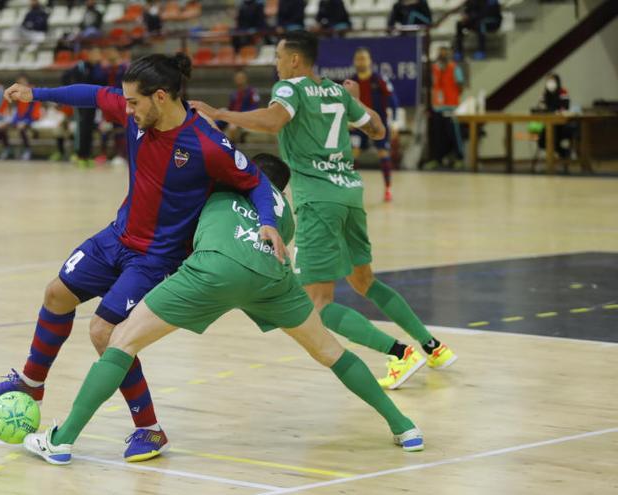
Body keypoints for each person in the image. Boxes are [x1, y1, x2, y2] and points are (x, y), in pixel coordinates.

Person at [0, 53, 285, 462]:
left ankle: (150, 429)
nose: (126, 108)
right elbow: (91, 95)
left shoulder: (207, 144)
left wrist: (268, 221)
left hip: (155, 258)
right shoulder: (136, 114)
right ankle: (32, 383)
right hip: (117, 237)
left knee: (105, 333)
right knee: (56, 295)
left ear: (160, 97)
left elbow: (257, 183)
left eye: (134, 102)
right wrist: (37, 93)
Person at [22, 153, 424, 464]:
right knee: (330, 352)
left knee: (119, 340)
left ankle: (61, 441)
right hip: (274, 279)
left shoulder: (222, 184)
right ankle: (404, 427)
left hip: (213, 268)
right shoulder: (284, 214)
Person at [191, 31, 457, 389]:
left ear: (295, 60)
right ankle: (432, 346)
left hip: (318, 200)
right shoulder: (335, 91)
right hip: (350, 194)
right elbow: (378, 129)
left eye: (279, 57)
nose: (276, 63)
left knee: (316, 304)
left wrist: (220, 113)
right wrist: (357, 102)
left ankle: (399, 353)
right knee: (365, 281)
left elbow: (272, 122)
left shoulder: (289, 89)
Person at [349, 47, 399, 202]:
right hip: (358, 124)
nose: (361, 62)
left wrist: (395, 122)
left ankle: (388, 189)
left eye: (364, 58)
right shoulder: (351, 82)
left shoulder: (379, 80)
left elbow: (393, 101)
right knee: (352, 155)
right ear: (354, 62)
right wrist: (347, 121)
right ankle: (351, 189)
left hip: (378, 125)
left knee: (383, 153)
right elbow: (344, 105)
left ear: (370, 61)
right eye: (358, 59)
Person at [62, 48, 106, 167]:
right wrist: (71, 93)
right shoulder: (80, 66)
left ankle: (87, 155)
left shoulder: (99, 68)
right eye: (95, 54)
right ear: (89, 54)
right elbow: (65, 77)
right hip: (80, 103)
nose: (97, 56)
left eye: (98, 54)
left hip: (94, 103)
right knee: (81, 129)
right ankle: (79, 154)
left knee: (89, 129)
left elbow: (102, 82)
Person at [428, 45, 465, 169]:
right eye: (440, 53)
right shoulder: (434, 68)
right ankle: (437, 159)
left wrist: (453, 97)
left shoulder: (454, 68)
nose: (442, 56)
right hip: (438, 107)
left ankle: (459, 158)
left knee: (454, 134)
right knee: (437, 135)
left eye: (445, 54)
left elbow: (460, 86)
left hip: (451, 107)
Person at [535, 73, 572, 160]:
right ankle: (563, 151)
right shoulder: (545, 93)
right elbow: (540, 106)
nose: (550, 83)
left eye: (552, 80)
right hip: (547, 123)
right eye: (548, 81)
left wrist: (557, 111)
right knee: (542, 141)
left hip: (560, 124)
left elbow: (566, 106)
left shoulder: (563, 92)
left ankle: (562, 153)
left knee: (553, 136)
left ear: (557, 81)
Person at [219, 70, 260, 143]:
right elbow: (230, 108)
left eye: (241, 78)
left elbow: (254, 108)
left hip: (244, 116)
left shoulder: (252, 92)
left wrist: (240, 116)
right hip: (233, 116)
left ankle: (233, 146)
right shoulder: (234, 94)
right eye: (237, 78)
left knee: (232, 128)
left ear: (245, 78)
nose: (239, 80)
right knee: (219, 114)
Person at [10, 74, 43, 160]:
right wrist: (15, 120)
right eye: (19, 82)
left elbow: (33, 110)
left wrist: (25, 121)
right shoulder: (18, 95)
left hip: (31, 118)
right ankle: (8, 149)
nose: (21, 84)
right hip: (22, 118)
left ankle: (28, 149)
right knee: (6, 126)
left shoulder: (32, 92)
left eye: (22, 82)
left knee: (22, 128)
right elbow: (19, 111)